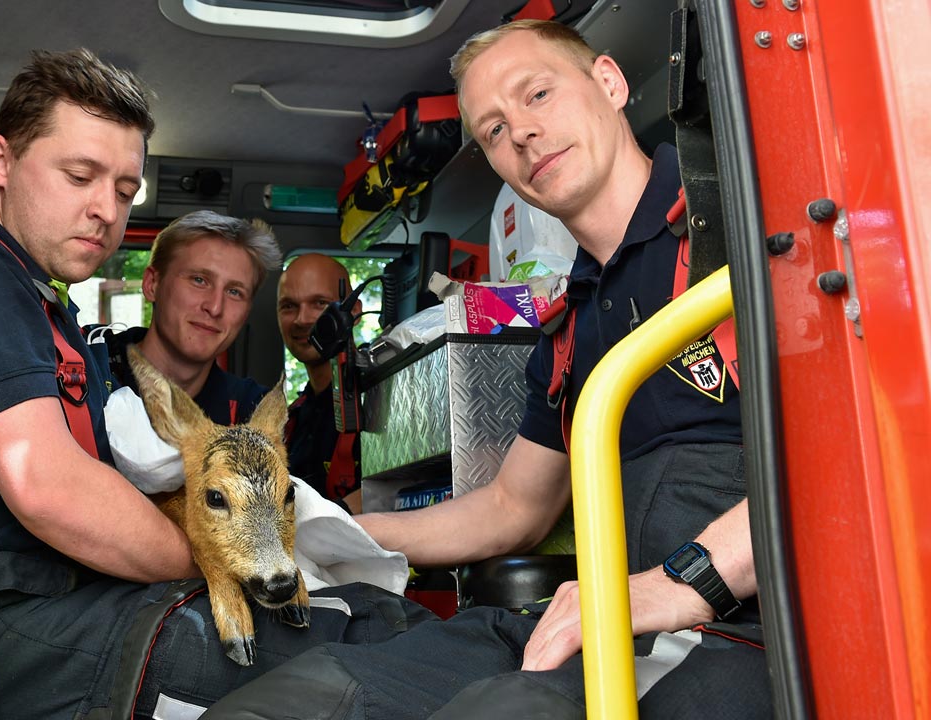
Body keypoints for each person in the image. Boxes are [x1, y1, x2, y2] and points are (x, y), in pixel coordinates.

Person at [202, 19, 769, 719]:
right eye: (495, 130)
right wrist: (336, 529)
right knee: (298, 698)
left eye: (537, 94)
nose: (522, 133)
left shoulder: (750, 230)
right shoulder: (564, 332)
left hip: (747, 625)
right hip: (612, 609)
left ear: (611, 83)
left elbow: (854, 452)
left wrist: (681, 582)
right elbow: (513, 509)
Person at [0, 48, 426, 720]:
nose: (104, 209)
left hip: (47, 604)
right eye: (80, 176)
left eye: (124, 191)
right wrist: (220, 559)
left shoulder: (42, 306)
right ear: (0, 162)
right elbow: (51, 489)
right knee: (365, 665)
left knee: (374, 624)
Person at [99, 210, 280, 425]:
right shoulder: (92, 369)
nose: (214, 307)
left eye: (234, 292)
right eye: (199, 280)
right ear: (152, 284)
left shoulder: (254, 411)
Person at [276, 253, 362, 510]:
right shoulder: (293, 419)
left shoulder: (385, 397)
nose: (302, 319)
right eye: (289, 306)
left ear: (354, 311)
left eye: (319, 303)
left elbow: (398, 492)